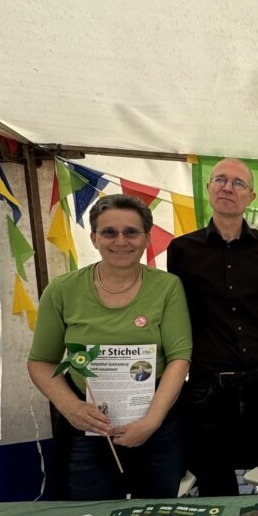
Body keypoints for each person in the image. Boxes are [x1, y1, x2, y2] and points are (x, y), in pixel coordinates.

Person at [28, 194, 192, 500]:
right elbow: (41, 362)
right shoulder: (63, 290)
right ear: (93, 237)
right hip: (88, 425)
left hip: (157, 422)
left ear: (146, 238)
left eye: (131, 232)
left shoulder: (167, 286)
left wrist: (152, 421)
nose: (121, 241)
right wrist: (71, 408)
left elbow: (179, 358)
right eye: (109, 232)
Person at [167, 157, 258, 495]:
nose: (228, 187)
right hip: (208, 385)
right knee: (215, 483)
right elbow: (177, 314)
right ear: (209, 189)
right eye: (220, 179)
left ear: (250, 197)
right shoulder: (181, 250)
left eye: (238, 183)